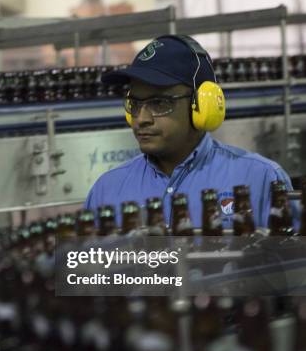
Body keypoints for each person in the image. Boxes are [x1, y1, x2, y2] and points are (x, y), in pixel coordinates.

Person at [85, 34, 293, 229]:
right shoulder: (106, 190)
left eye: (159, 103)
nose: (141, 119)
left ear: (202, 105)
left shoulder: (261, 179)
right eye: (135, 104)